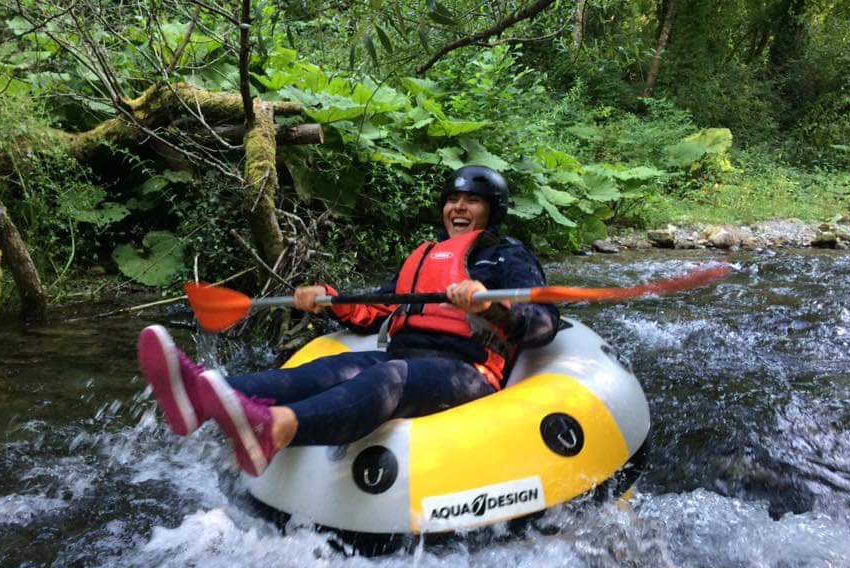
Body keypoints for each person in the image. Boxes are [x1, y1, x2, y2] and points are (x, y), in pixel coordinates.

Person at [137, 166, 560, 476]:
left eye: (472, 200)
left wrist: (488, 307)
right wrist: (329, 301)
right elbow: (378, 307)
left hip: (468, 371)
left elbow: (543, 324)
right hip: (407, 353)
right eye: (453, 199)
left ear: (492, 210)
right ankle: (202, 397)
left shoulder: (508, 256)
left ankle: (277, 429)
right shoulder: (427, 255)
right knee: (324, 371)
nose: (458, 207)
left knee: (389, 377)